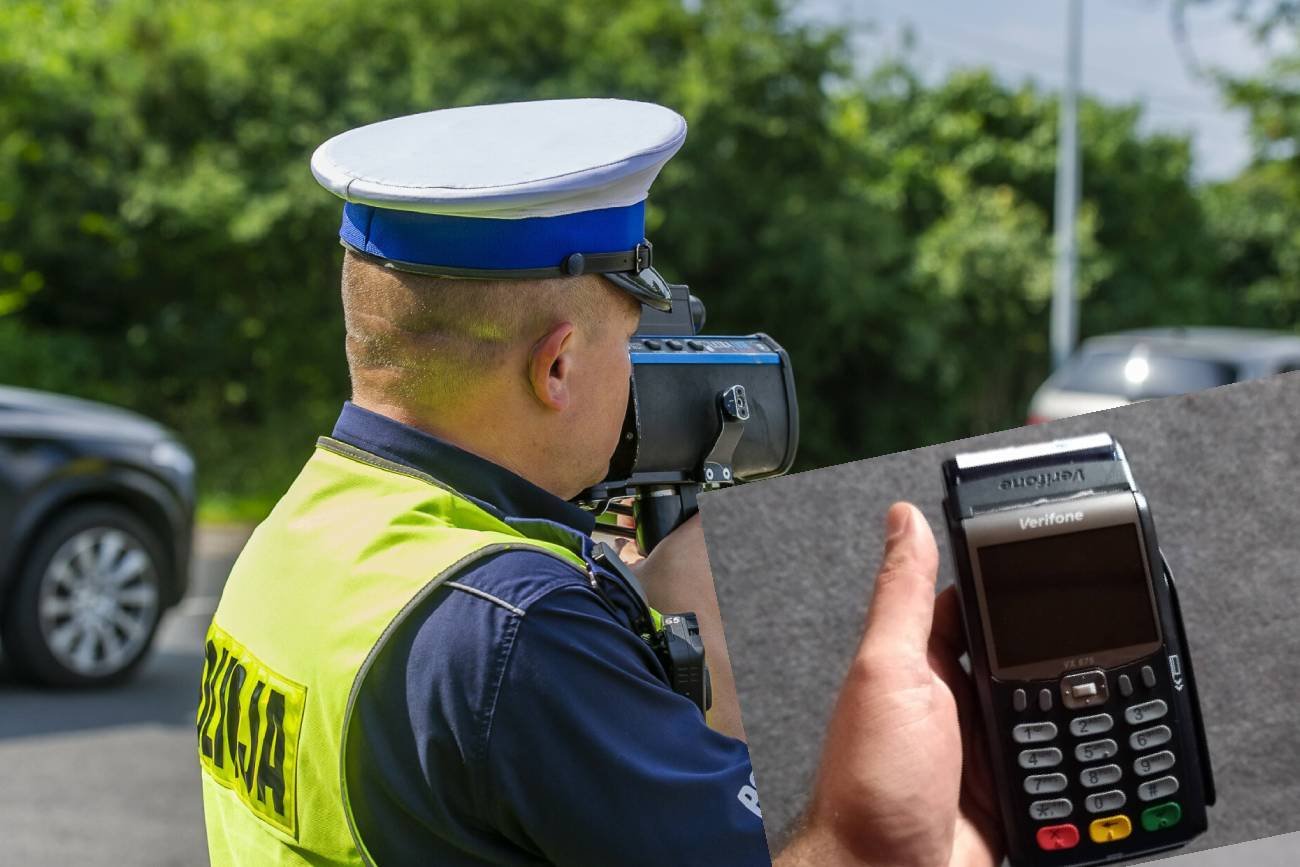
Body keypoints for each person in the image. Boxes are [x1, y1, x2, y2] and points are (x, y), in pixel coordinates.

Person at [197, 97, 1002, 867]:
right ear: (557, 365)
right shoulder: (524, 634)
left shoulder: (297, 531)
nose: (637, 370)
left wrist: (632, 627)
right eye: (629, 342)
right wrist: (940, 814)